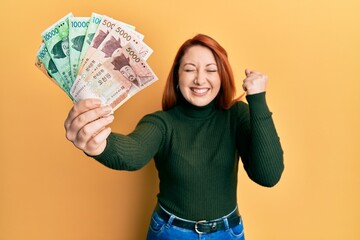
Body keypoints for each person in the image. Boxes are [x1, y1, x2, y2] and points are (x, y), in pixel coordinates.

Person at [64, 34, 284, 239]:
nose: (200, 79)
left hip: (227, 233)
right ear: (177, 76)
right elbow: (133, 153)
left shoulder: (237, 116)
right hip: (170, 232)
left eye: (211, 70)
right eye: (189, 69)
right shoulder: (162, 123)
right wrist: (99, 144)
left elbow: (268, 176)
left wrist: (258, 100)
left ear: (222, 76)